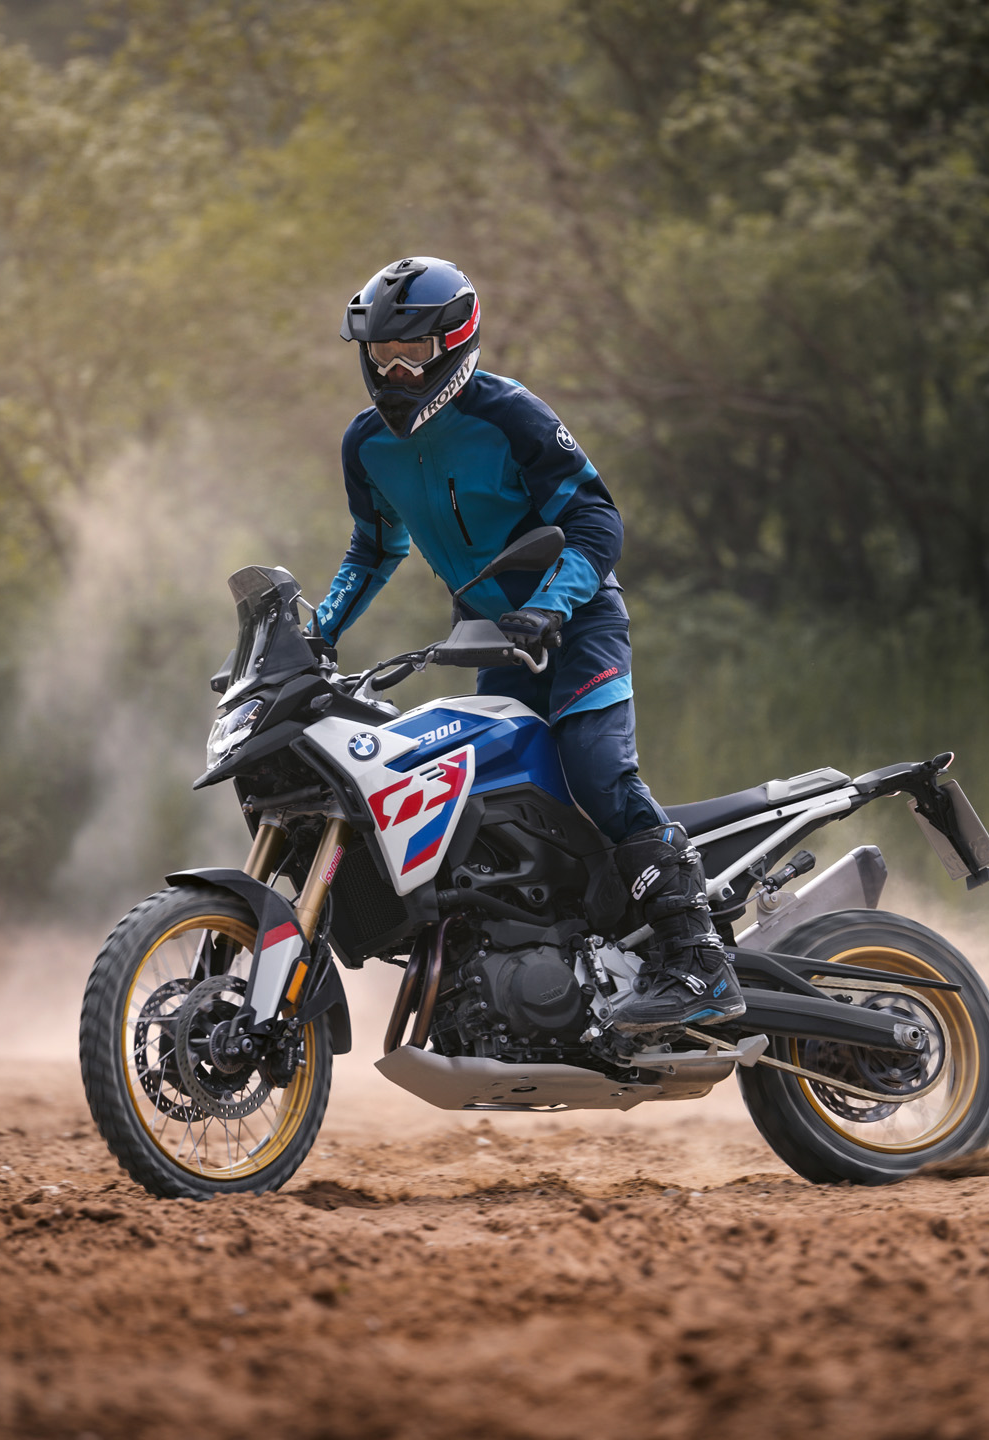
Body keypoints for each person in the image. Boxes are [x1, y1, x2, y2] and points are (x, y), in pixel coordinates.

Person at [311, 256, 743, 1033]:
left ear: (455, 343)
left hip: (577, 628)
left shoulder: (509, 415)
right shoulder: (366, 445)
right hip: (492, 646)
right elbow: (373, 550)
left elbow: (597, 520)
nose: (394, 374)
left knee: (599, 775)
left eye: (409, 356)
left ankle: (699, 960)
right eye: (379, 358)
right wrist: (317, 633)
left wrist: (549, 606)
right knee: (487, 815)